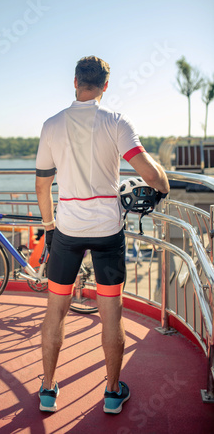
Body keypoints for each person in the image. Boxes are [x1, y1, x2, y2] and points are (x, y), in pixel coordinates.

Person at [35, 56, 170, 414]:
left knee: (56, 311)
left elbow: (42, 185)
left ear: (75, 82)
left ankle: (48, 390)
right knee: (111, 313)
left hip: (67, 231)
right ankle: (112, 392)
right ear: (105, 86)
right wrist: (164, 185)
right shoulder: (115, 122)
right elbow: (151, 174)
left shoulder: (52, 125)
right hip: (108, 231)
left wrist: (49, 228)